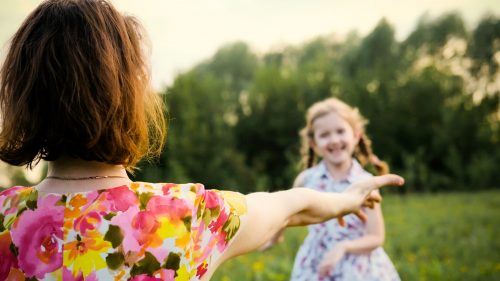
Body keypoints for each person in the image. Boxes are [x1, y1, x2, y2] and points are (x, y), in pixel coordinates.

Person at [0, 1, 404, 281]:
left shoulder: (5, 218)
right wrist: (350, 198)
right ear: (127, 99)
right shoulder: (189, 217)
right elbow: (292, 205)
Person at [286, 98, 401, 280]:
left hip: (358, 268)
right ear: (314, 144)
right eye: (324, 135)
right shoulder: (306, 179)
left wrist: (343, 247)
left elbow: (376, 237)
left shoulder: (366, 184)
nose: (334, 140)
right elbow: (285, 212)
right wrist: (274, 236)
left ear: (355, 136)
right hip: (315, 264)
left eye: (340, 131)